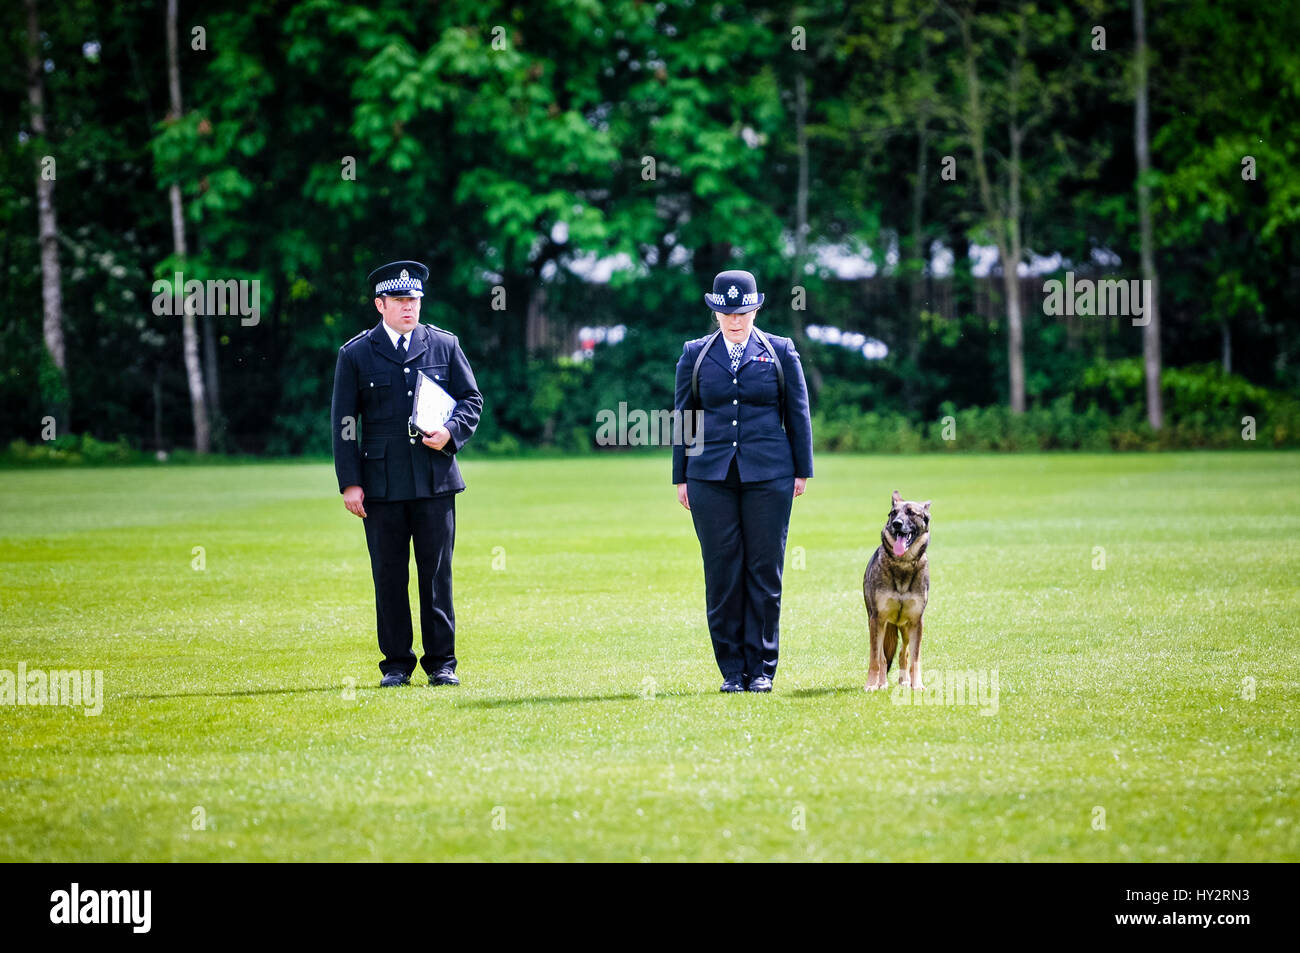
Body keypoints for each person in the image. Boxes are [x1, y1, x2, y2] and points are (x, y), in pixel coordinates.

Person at [331, 261, 483, 687]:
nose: (409, 307)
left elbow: (472, 400)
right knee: (389, 575)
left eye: (414, 300)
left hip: (435, 480)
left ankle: (442, 664)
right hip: (381, 485)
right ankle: (396, 664)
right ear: (381, 304)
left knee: (436, 575)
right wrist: (350, 481)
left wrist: (451, 433)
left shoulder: (444, 345)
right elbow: (344, 423)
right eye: (400, 301)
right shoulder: (356, 353)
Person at [672, 269, 814, 693]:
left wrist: (801, 470)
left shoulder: (781, 351)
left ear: (756, 308)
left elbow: (798, 413)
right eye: (727, 311)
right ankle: (732, 670)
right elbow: (684, 417)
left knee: (764, 572)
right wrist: (680, 476)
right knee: (722, 573)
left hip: (770, 475)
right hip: (709, 477)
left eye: (743, 311)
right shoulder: (695, 353)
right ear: (715, 312)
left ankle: (763, 668)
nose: (735, 319)